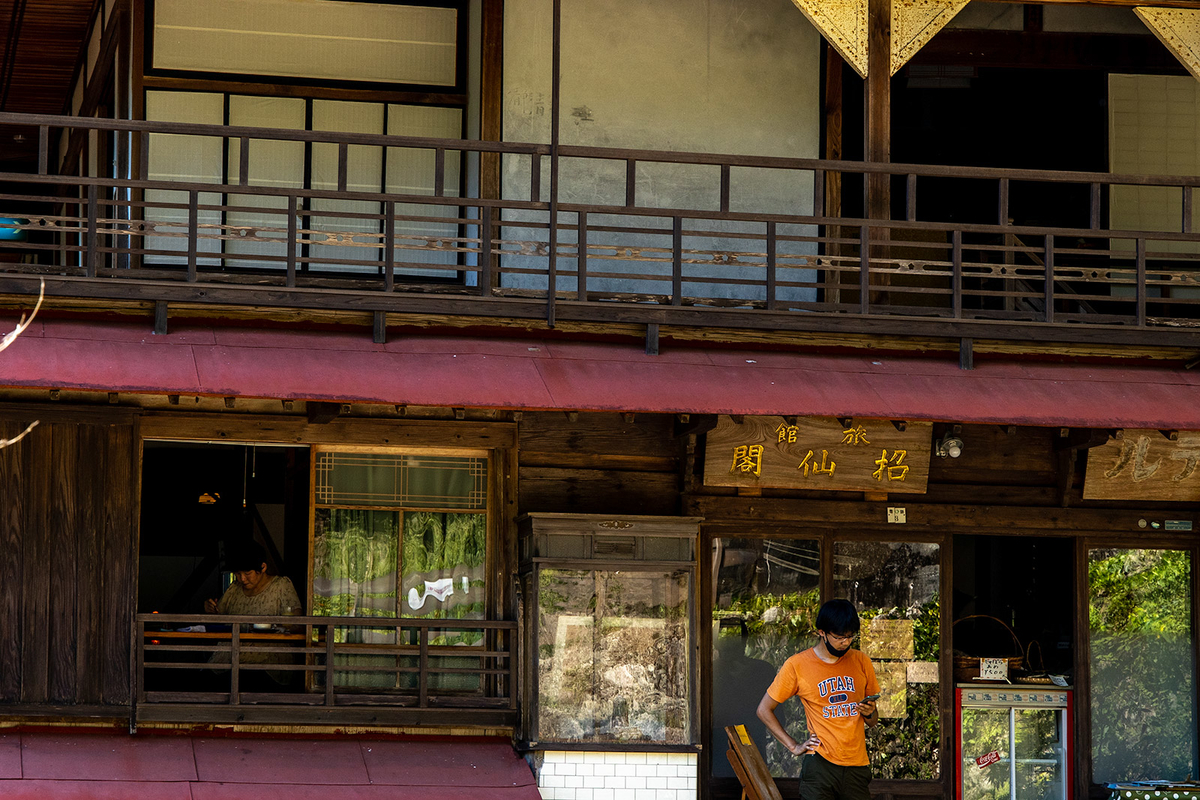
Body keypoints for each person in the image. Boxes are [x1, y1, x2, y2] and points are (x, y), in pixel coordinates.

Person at [756, 599, 880, 800]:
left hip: (856, 765)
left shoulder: (861, 661)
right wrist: (793, 746)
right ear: (821, 632)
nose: (846, 643)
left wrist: (870, 712)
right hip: (820, 765)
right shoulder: (797, 665)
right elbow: (763, 710)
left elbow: (873, 721)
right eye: (840, 637)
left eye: (850, 637)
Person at [204, 541, 301, 690]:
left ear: (262, 567)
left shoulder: (281, 586)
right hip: (228, 659)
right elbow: (219, 617)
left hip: (266, 662)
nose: (242, 579)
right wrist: (210, 609)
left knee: (248, 680)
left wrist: (271, 628)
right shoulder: (234, 589)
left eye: (247, 573)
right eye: (237, 573)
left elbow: (296, 624)